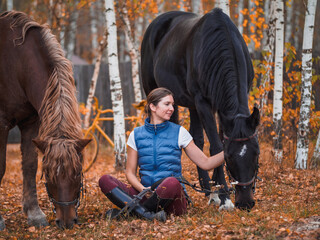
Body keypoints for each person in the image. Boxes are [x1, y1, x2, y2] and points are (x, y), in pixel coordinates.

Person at [99, 87, 224, 222]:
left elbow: (206, 163)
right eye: (167, 104)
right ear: (153, 106)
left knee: (171, 182)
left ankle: (136, 212)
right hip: (145, 193)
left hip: (173, 198)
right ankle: (147, 214)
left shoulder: (179, 132)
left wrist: (229, 151)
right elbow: (129, 173)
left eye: (172, 104)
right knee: (105, 180)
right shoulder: (136, 134)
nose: (172, 108)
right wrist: (143, 190)